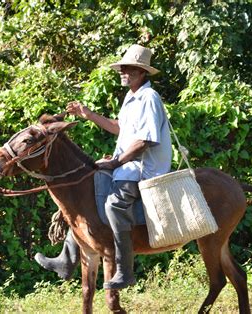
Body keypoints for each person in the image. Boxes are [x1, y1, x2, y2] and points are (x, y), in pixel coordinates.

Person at [35, 44, 172, 290]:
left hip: (143, 167)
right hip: (127, 165)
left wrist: (116, 161)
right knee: (84, 199)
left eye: (128, 68)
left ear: (142, 73)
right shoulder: (131, 97)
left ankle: (125, 271)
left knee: (114, 204)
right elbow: (120, 127)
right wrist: (87, 114)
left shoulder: (149, 97)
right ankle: (67, 259)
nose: (123, 72)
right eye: (122, 68)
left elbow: (146, 140)